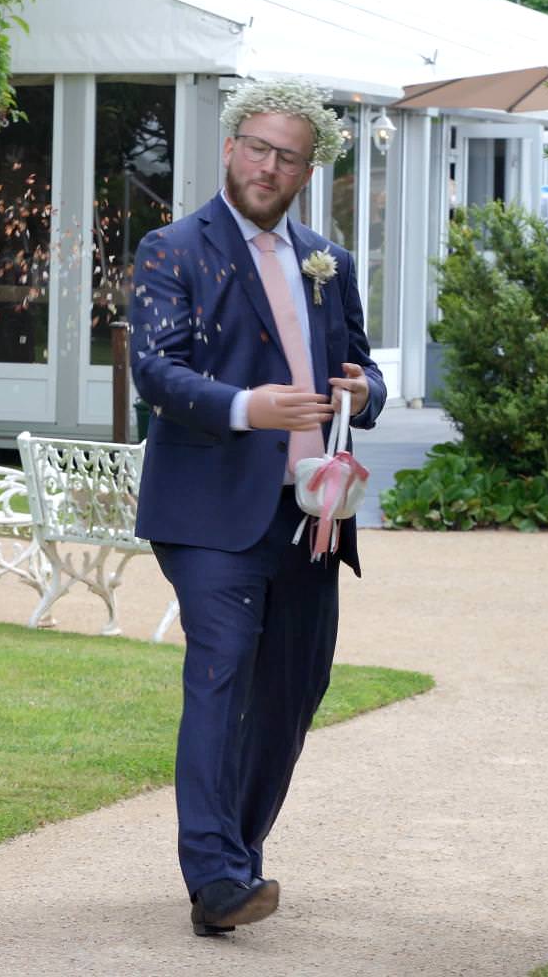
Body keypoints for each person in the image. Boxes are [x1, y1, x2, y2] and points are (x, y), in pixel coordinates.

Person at [131, 78, 386, 937]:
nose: (270, 167)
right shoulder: (171, 248)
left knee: (292, 690)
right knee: (222, 670)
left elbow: (362, 368)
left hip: (311, 517)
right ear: (232, 148)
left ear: (308, 171)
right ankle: (214, 874)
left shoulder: (328, 260)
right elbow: (156, 373)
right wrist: (250, 408)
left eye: (289, 157)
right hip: (208, 513)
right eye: (259, 149)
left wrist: (364, 388)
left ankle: (232, 867)